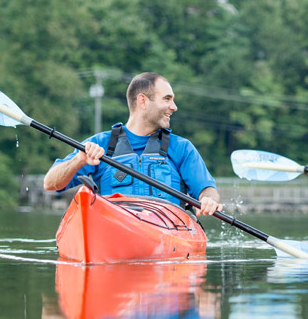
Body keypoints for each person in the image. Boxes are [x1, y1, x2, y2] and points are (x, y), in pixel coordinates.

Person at [44, 72, 222, 216]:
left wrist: (208, 200)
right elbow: (50, 183)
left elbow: (207, 190)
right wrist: (79, 160)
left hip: (168, 232)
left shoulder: (182, 148)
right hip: (114, 226)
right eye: (167, 99)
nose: (174, 106)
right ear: (143, 101)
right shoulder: (99, 144)